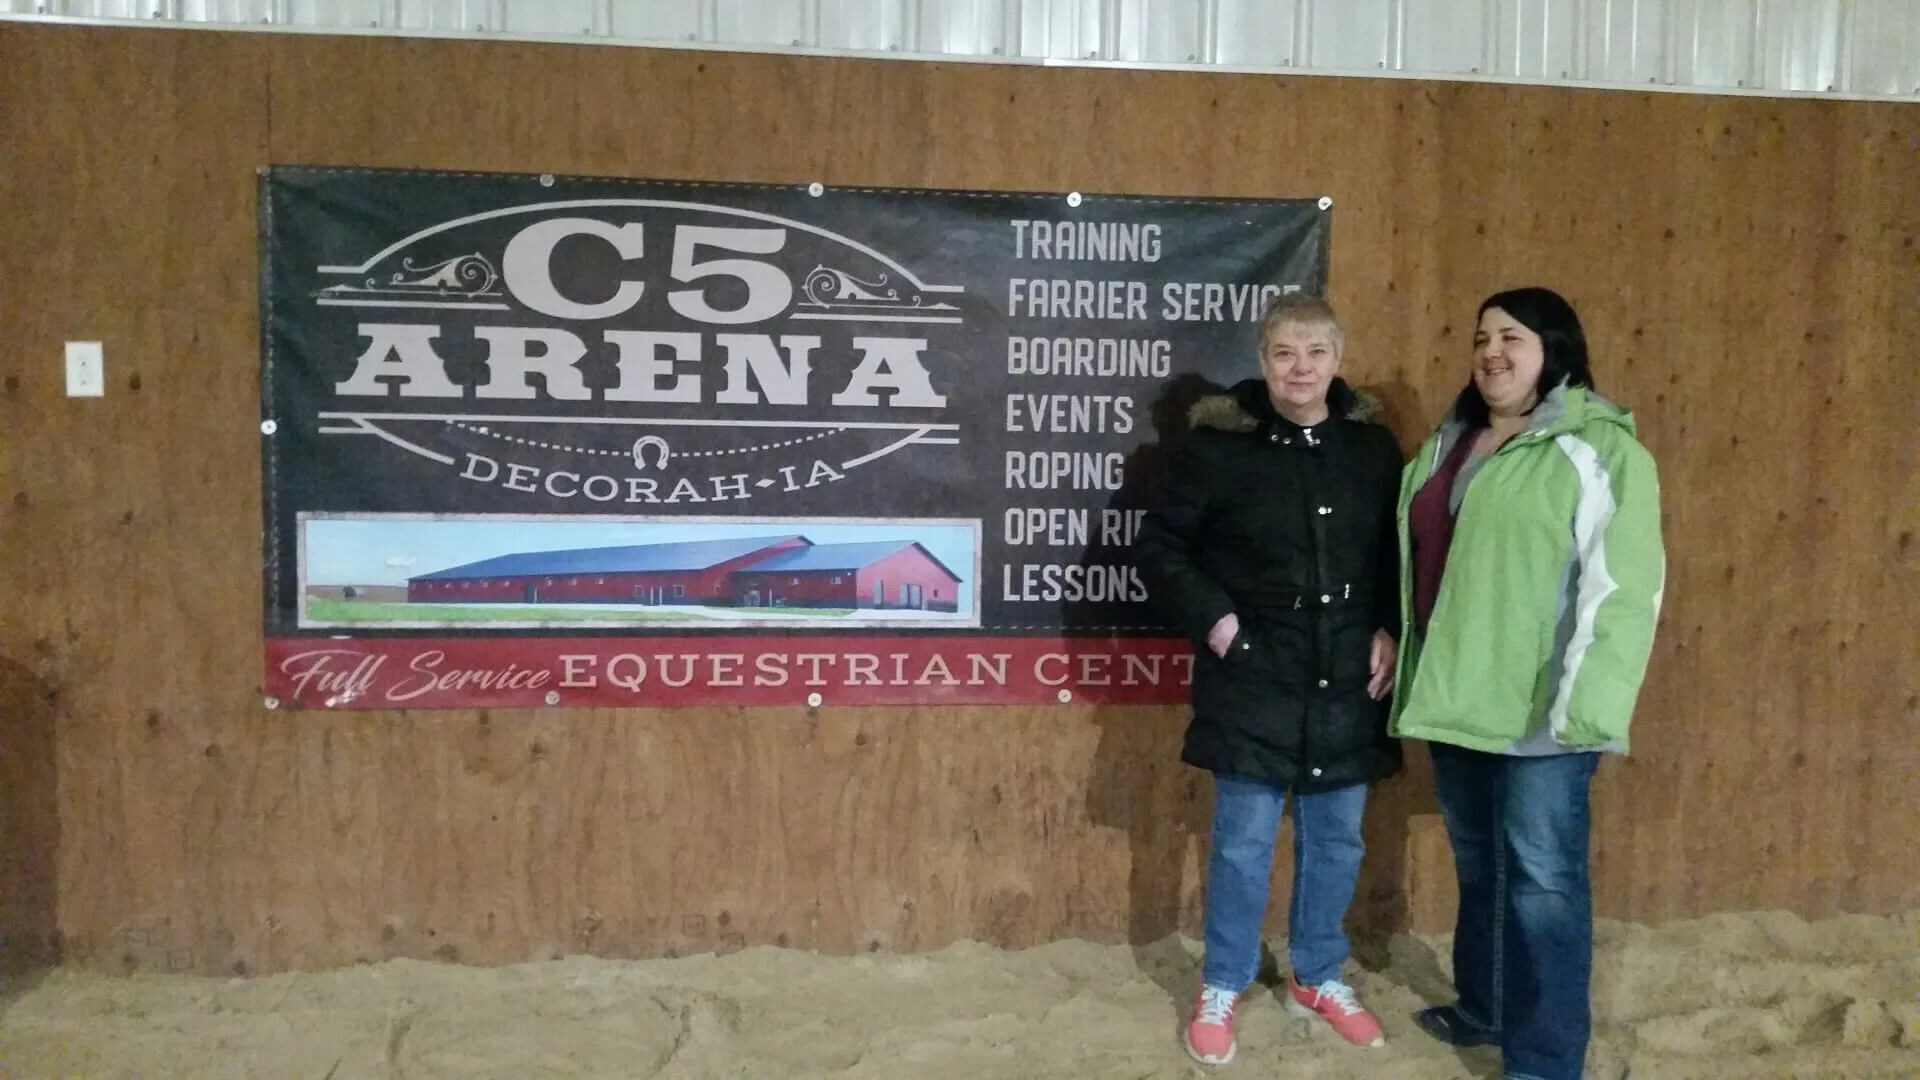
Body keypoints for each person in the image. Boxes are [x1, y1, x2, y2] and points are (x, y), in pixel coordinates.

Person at [1391, 287, 1665, 1080]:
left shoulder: (1599, 449)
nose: (1491, 352)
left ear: (1555, 348)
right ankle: (1486, 1007)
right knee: (1482, 871)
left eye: (1511, 336)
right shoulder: (1450, 445)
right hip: (1457, 702)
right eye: (1481, 337)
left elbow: (1623, 589)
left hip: (1545, 714)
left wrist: (1592, 709)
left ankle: (1543, 1061)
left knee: (1544, 887)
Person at [1135, 294, 1404, 1066]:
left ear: (1338, 360)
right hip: (1252, 673)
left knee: (1337, 839)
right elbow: (1160, 548)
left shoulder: (1372, 450)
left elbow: (1396, 553)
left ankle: (1318, 974)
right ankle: (1222, 981)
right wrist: (1220, 627)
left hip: (1348, 675)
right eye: (1285, 352)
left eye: (1316, 351)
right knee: (1244, 843)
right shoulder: (1216, 449)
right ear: (1262, 361)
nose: (1301, 368)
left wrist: (1384, 623)